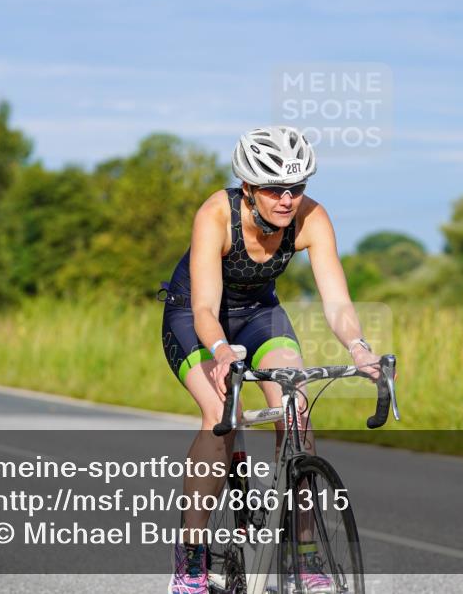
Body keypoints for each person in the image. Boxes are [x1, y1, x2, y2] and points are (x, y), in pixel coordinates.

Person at [160, 126, 380, 594]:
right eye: (275, 189)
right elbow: (203, 308)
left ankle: (307, 557)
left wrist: (358, 347)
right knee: (224, 414)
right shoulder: (215, 215)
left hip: (261, 316)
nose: (287, 199)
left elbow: (337, 303)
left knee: (296, 410)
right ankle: (191, 562)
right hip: (196, 317)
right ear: (248, 188)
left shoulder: (312, 219)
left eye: (297, 188)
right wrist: (220, 354)